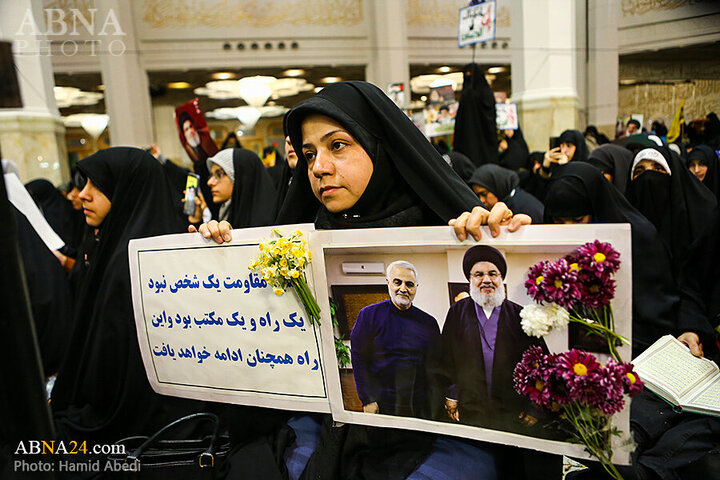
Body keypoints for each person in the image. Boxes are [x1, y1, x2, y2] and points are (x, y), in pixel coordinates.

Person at [194, 80, 531, 480]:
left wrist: (502, 236)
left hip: (437, 439)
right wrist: (221, 260)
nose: (318, 167)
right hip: (324, 430)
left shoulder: (446, 231)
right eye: (308, 154)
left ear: (379, 146)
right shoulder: (297, 245)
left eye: (337, 145)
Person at [51, 147, 204, 444]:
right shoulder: (114, 247)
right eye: (85, 184)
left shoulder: (130, 264)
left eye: (97, 185)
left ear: (127, 189)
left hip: (135, 432)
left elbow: (114, 383)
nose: (83, 194)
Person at [543, 162, 679, 357]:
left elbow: (656, 314)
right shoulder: (549, 233)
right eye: (559, 221)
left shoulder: (640, 237)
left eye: (579, 219)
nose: (569, 228)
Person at [438, 245, 547, 433]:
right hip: (471, 405)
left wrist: (534, 407)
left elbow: (540, 365)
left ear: (501, 278)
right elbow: (446, 358)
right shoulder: (457, 312)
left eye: (492, 273)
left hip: (512, 409)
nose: (486, 280)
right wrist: (452, 396)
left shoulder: (520, 314)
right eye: (479, 274)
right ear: (470, 280)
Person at [350, 261, 441, 419]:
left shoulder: (428, 323)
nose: (403, 289)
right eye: (397, 282)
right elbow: (359, 359)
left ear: (416, 287)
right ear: (388, 283)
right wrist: (368, 399)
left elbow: (436, 365)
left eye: (409, 284)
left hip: (418, 403)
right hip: (381, 401)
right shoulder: (368, 315)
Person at [626, 146, 717, 277]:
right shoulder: (623, 224)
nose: (648, 177)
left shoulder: (703, 218)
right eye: (639, 171)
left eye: (658, 168)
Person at [192, 147, 278, 228]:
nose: (209, 182)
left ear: (241, 178)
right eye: (211, 175)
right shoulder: (226, 212)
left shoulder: (266, 225)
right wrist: (196, 219)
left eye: (219, 175)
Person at [468, 164, 544, 224]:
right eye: (478, 196)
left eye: (484, 194)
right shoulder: (512, 199)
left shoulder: (525, 208)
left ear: (498, 187)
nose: (481, 200)